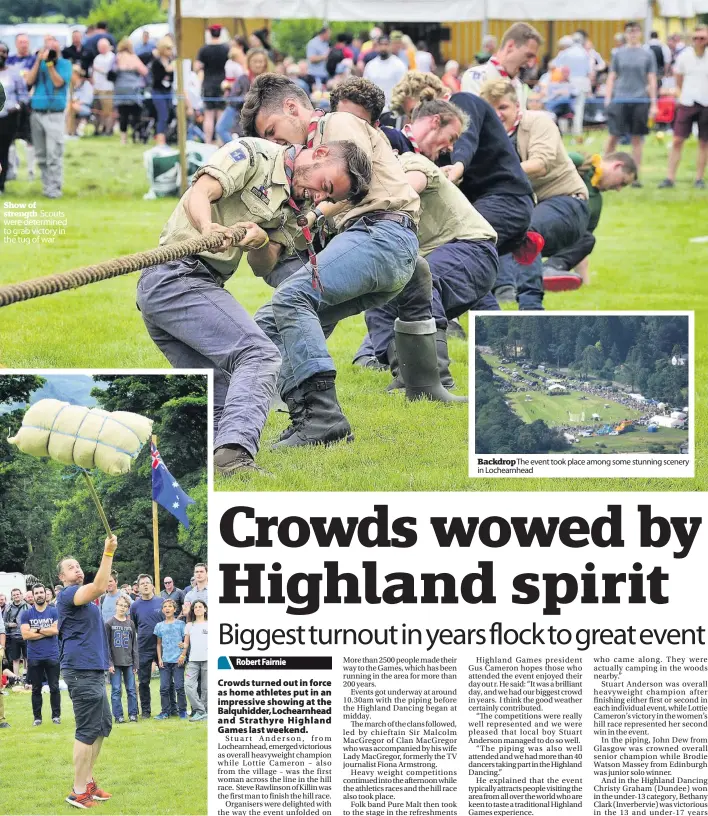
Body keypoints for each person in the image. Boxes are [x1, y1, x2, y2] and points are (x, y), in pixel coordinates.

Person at [137, 133, 371, 470]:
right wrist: (207, 229)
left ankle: (221, 466)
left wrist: (261, 242)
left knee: (222, 382)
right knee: (259, 354)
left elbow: (264, 266)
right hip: (175, 274)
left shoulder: (296, 208)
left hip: (187, 284)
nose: (318, 196)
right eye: (325, 185)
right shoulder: (254, 154)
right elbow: (200, 191)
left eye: (327, 196)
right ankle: (236, 455)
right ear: (320, 153)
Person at [241, 74, 434, 443]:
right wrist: (257, 237)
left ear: (293, 108)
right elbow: (265, 265)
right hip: (374, 245)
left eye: (273, 129)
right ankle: (288, 414)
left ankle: (323, 419)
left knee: (291, 297)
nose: (275, 143)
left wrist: (310, 213)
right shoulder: (304, 173)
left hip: (383, 234)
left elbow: (354, 179)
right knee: (264, 326)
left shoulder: (337, 124)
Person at [480, 79, 590, 310]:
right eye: (492, 109)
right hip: (527, 208)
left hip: (567, 202)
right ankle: (490, 304)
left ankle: (531, 306)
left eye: (503, 108)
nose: (498, 115)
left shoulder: (538, 122)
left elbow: (541, 164)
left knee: (525, 230)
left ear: (517, 106)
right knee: (482, 233)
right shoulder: (487, 135)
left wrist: (493, 173)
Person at [56, 537, 117, 809]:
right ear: (62, 577)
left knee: (102, 725)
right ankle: (77, 791)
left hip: (93, 669)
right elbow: (100, 586)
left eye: (79, 565)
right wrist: (108, 552)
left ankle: (88, 782)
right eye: (71, 567)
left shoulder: (85, 600)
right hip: (80, 670)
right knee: (87, 729)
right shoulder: (68, 595)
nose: (77, 569)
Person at [543, 151, 637, 288]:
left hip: (548, 239)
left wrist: (584, 284)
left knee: (587, 239)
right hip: (532, 219)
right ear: (617, 166)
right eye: (622, 182)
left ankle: (548, 270)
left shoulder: (596, 203)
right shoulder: (578, 162)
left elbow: (580, 245)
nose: (618, 189)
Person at [604, 21, 658, 186]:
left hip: (640, 99)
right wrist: (608, 97)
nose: (632, 34)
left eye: (635, 31)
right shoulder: (618, 54)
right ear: (625, 34)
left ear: (640, 33)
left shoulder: (647, 54)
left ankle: (634, 176)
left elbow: (652, 79)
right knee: (613, 135)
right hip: (620, 99)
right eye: (629, 31)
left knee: (637, 138)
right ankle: (603, 169)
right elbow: (612, 76)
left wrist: (654, 103)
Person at [658, 24, 708, 190]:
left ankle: (699, 178)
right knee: (677, 139)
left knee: (704, 142)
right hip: (687, 102)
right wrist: (681, 94)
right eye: (696, 38)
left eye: (702, 38)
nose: (699, 41)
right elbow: (678, 77)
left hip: (706, 103)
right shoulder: (684, 56)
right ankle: (670, 177)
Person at [24, 35, 72, 199]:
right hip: (37, 113)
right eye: (49, 49)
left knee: (54, 153)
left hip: (55, 114)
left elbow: (59, 82)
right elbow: (29, 81)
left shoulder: (65, 65)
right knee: (41, 154)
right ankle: (47, 187)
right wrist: (38, 61)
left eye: (54, 49)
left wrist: (50, 64)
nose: (51, 52)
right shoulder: (39, 63)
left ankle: (55, 189)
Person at [461, 22, 543, 107]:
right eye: (528, 56)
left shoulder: (518, 85)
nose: (530, 64)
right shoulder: (476, 77)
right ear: (510, 46)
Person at [19, 583, 61, 726]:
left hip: (52, 655)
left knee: (54, 687)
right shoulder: (26, 614)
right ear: (33, 596)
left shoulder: (53, 611)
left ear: (45, 594)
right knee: (36, 688)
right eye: (36, 593)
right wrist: (45, 631)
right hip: (34, 657)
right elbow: (25, 635)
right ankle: (37, 718)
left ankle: (56, 716)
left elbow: (55, 631)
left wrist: (35, 630)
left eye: (41, 592)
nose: (39, 595)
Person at [129, 574, 164, 719]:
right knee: (143, 681)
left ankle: (169, 708)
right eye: (142, 583)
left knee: (167, 679)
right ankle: (146, 711)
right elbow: (134, 626)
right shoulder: (135, 606)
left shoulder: (161, 602)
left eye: (147, 583)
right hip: (143, 646)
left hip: (162, 645)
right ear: (138, 587)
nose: (145, 585)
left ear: (152, 585)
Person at [7, 33, 36, 182]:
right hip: (12, 105)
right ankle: (12, 170)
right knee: (10, 139)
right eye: (21, 42)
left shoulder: (34, 60)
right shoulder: (9, 60)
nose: (24, 44)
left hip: (29, 104)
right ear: (16, 43)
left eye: (26, 42)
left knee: (29, 138)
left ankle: (31, 171)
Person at [104, 595, 138, 723]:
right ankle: (118, 716)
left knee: (131, 689)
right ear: (116, 606)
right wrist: (109, 663)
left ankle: (133, 714)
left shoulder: (131, 624)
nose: (122, 608)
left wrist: (136, 662)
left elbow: (134, 644)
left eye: (125, 606)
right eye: (120, 605)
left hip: (129, 661)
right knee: (116, 690)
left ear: (128, 608)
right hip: (115, 663)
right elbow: (106, 645)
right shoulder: (109, 623)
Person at [553, 32, 593, 138]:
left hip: (568, 82)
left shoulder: (566, 53)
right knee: (579, 108)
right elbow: (589, 71)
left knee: (564, 106)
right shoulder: (585, 53)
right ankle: (577, 130)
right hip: (582, 82)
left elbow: (556, 66)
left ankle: (563, 130)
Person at [195, 25, 230, 143]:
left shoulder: (204, 49)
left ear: (210, 33)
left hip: (208, 85)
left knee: (208, 116)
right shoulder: (226, 48)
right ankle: (220, 142)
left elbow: (197, 66)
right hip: (223, 85)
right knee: (221, 115)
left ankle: (208, 142)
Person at [0, 42, 27, 194]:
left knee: (3, 152)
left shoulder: (14, 73)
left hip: (7, 119)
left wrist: (17, 106)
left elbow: (23, 95)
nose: (0, 55)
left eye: (3, 52)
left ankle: (1, 185)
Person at [153, 599, 187, 719]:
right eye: (165, 607)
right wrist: (159, 658)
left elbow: (185, 642)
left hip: (178, 661)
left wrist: (183, 653)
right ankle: (165, 712)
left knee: (179, 686)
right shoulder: (159, 626)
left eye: (170, 606)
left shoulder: (181, 625)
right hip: (165, 661)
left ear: (175, 609)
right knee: (164, 688)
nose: (167, 608)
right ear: (162, 610)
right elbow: (158, 644)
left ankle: (182, 710)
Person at [113, 38, 148, 145]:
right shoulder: (133, 57)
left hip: (120, 88)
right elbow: (145, 71)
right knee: (135, 112)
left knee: (123, 113)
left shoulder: (117, 57)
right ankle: (136, 134)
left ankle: (123, 139)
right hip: (133, 88)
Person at [363, 36, 407, 113]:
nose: (383, 47)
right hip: (374, 111)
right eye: (381, 45)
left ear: (390, 45)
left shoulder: (399, 65)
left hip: (393, 110)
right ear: (377, 46)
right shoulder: (370, 65)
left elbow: (404, 88)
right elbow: (365, 88)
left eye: (386, 44)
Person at [183, 600, 208, 721]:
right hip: (193, 660)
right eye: (195, 607)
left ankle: (204, 712)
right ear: (193, 610)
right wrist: (182, 653)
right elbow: (186, 644)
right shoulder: (189, 625)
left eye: (200, 607)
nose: (198, 609)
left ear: (205, 609)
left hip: (208, 659)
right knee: (188, 685)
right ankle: (200, 710)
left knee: (206, 688)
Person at [150, 38, 175, 146]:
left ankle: (164, 136)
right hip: (158, 92)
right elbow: (157, 78)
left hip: (168, 91)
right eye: (168, 49)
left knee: (169, 114)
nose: (170, 51)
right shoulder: (156, 62)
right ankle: (160, 140)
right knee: (162, 115)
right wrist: (166, 70)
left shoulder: (171, 62)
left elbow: (172, 78)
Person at [92, 38, 116, 136]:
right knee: (97, 110)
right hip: (97, 88)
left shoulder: (112, 57)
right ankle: (97, 129)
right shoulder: (97, 58)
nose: (101, 49)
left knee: (108, 112)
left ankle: (108, 130)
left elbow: (110, 72)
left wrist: (99, 69)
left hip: (107, 89)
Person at [3, 587, 28, 677]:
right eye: (14, 595)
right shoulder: (8, 608)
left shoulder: (27, 606)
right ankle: (16, 677)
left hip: (26, 635)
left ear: (21, 595)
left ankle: (27, 676)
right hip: (13, 636)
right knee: (15, 658)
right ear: (12, 597)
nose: (16, 596)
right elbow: (3, 623)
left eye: (17, 594)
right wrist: (9, 625)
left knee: (27, 657)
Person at [66, 66, 94, 137]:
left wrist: (77, 102)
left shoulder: (86, 84)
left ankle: (69, 132)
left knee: (71, 106)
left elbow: (89, 99)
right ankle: (69, 132)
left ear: (77, 74)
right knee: (70, 106)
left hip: (85, 108)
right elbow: (67, 97)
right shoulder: (69, 85)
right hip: (71, 106)